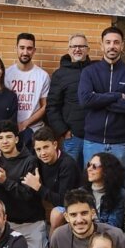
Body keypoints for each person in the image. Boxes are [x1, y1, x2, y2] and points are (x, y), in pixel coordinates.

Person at [78, 25, 125, 170]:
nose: (112, 46)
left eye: (116, 42)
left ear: (122, 45)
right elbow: (85, 100)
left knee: (119, 188)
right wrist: (117, 96)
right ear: (101, 45)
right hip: (92, 142)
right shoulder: (89, 72)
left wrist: (98, 99)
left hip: (120, 143)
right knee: (91, 185)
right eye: (108, 42)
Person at [0, 120, 46, 248]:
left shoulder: (30, 161)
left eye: (8, 137)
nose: (5, 141)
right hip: (8, 223)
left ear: (16, 139)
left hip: (32, 221)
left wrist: (5, 181)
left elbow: (27, 195)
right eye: (0, 138)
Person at [46, 33, 91, 168]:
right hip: (72, 137)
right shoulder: (60, 74)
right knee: (70, 174)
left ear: (88, 49)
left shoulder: (96, 69)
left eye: (81, 46)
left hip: (94, 137)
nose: (77, 49)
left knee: (92, 176)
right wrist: (63, 131)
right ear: (69, 50)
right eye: (74, 46)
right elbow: (52, 106)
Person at [30, 127, 79, 230]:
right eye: (38, 149)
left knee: (56, 215)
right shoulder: (37, 160)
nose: (42, 153)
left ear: (55, 145)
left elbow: (64, 201)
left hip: (71, 203)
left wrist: (39, 187)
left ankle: (53, 245)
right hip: (49, 201)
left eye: (46, 147)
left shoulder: (67, 164)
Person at [5, 33, 50, 139]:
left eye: (29, 48)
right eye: (22, 48)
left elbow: (45, 106)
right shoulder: (7, 74)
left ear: (34, 50)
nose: (25, 52)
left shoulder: (42, 76)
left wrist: (25, 123)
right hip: (11, 131)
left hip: (35, 131)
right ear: (16, 48)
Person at [82, 152, 125, 229]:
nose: (89, 169)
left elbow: (113, 226)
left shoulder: (120, 194)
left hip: (106, 236)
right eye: (89, 165)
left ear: (107, 170)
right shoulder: (81, 192)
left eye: (94, 166)